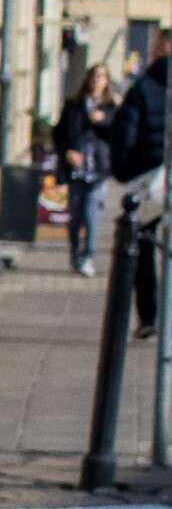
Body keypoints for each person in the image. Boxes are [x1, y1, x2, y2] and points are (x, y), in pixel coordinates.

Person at [106, 30, 172, 337]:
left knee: (141, 239)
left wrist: (123, 171)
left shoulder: (144, 88)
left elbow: (125, 134)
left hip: (151, 179)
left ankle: (150, 315)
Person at [57, 64, 115, 275]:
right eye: (93, 76)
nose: (96, 80)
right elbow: (60, 134)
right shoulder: (73, 106)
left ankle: (89, 256)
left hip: (99, 170)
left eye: (101, 77)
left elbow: (117, 135)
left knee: (93, 214)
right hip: (77, 170)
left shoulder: (110, 108)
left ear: (107, 81)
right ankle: (76, 249)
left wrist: (104, 121)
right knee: (75, 216)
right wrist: (67, 153)